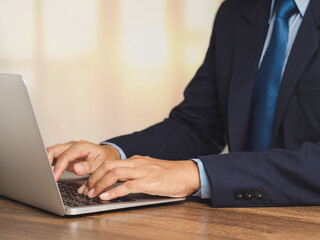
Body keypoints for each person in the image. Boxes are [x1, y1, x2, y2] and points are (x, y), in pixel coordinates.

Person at [47, 0, 320, 207]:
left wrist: (199, 174)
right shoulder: (235, 12)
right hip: (236, 219)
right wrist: (114, 153)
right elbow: (197, 126)